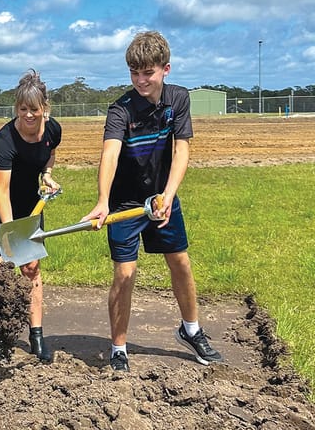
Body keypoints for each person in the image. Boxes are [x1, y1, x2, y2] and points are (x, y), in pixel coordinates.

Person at [82, 31, 222, 372]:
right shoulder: (120, 110)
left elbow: (182, 149)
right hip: (125, 204)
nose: (141, 80)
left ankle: (191, 330)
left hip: (162, 197)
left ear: (165, 69)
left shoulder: (178, 99)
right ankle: (118, 349)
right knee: (125, 275)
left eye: (148, 72)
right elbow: (110, 155)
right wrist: (102, 200)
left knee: (181, 262)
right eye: (134, 73)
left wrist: (168, 196)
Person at [0, 70, 61, 362]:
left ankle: (36, 336)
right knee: (1, 268)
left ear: (44, 109)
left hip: (30, 204)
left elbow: (49, 154)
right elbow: (1, 193)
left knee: (31, 267)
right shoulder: (5, 139)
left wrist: (47, 175)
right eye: (22, 109)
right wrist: (11, 234)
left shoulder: (53, 131)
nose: (28, 115)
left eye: (34, 109)